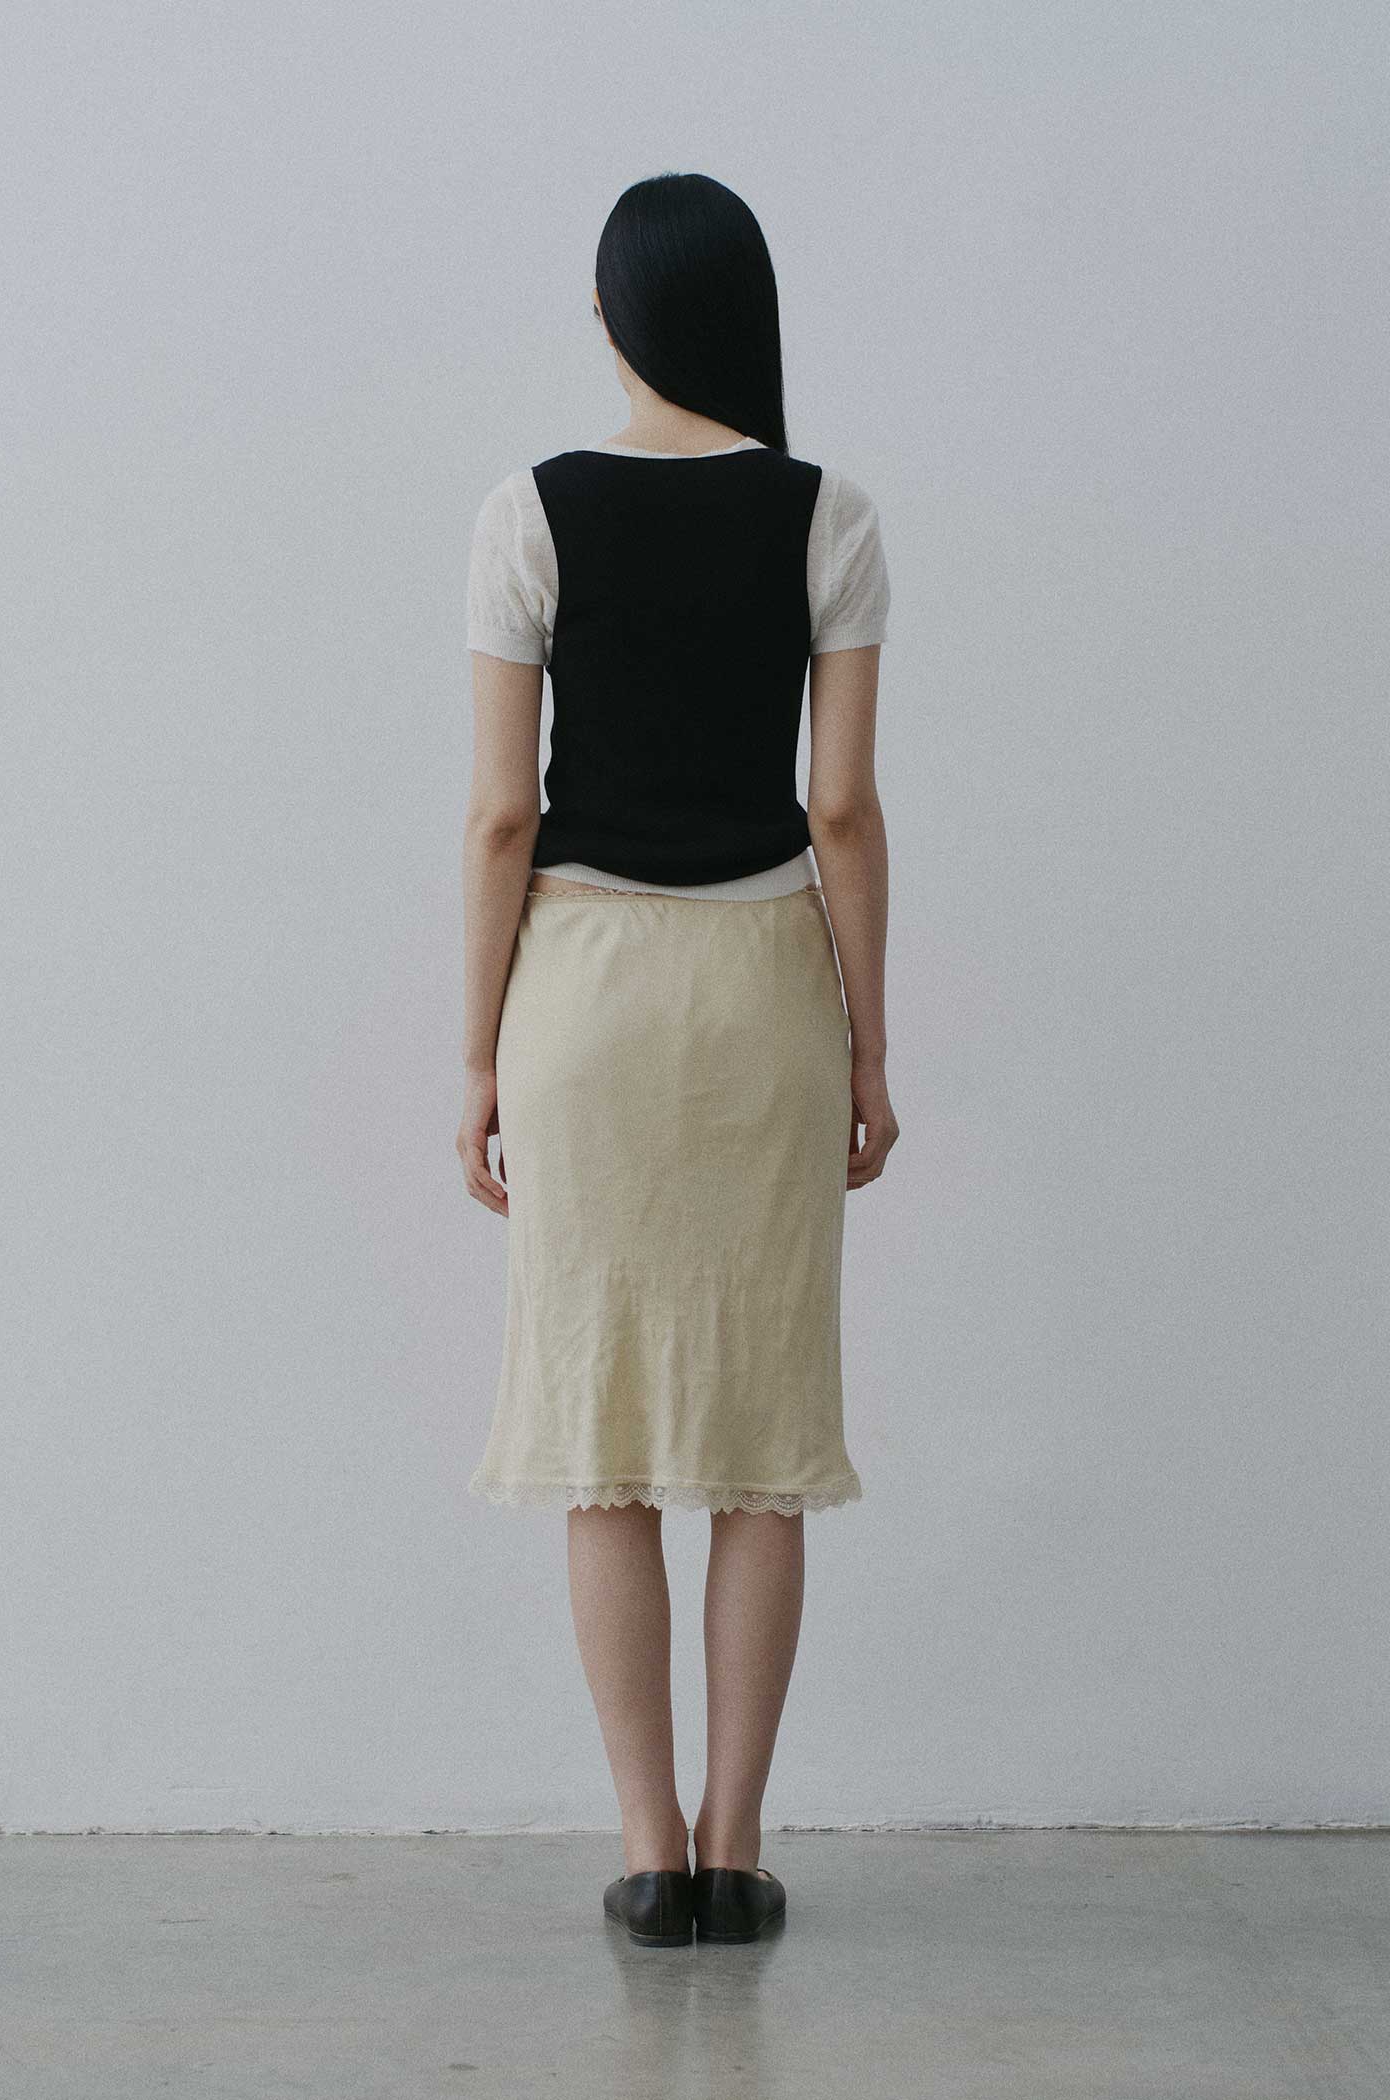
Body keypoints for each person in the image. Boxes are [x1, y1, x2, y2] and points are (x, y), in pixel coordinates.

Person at [456, 171, 899, 1949]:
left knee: (610, 1436)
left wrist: (476, 1055)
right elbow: (842, 807)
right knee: (763, 1446)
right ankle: (735, 1848)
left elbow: (502, 817)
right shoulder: (828, 512)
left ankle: (647, 1855)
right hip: (763, 994)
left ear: (613, 317)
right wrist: (871, 1038)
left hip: (581, 993)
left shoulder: (528, 512)